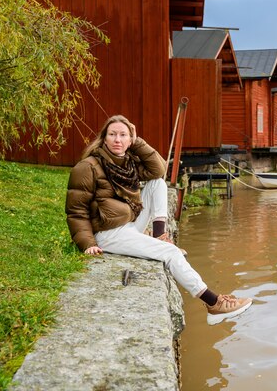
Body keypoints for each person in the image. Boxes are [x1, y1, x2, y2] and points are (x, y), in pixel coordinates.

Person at [65, 115, 252, 325]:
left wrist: (138, 143)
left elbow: (158, 170)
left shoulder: (128, 163)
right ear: (104, 138)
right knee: (171, 253)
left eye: (123, 135)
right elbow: (76, 211)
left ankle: (159, 234)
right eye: (112, 135)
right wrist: (88, 243)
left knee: (157, 184)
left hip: (129, 223)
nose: (117, 140)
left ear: (130, 140)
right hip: (108, 233)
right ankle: (213, 304)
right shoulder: (87, 167)